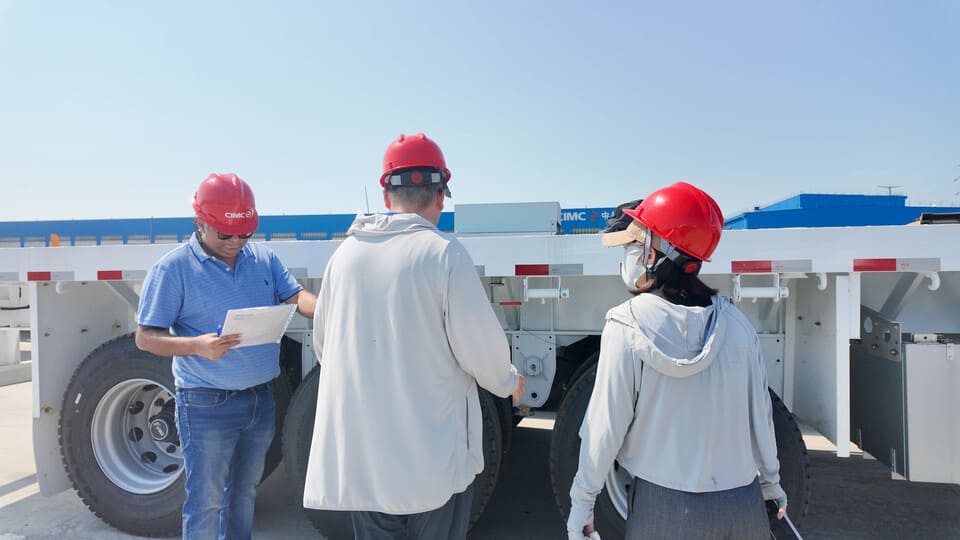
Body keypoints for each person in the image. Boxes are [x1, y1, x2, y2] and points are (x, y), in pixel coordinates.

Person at [303, 132, 525, 540]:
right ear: (441, 196)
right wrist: (510, 381)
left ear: (387, 197)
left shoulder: (344, 258)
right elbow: (481, 350)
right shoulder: (444, 254)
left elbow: (325, 348)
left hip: (366, 462)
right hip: (432, 462)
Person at [566, 182, 787, 540]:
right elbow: (760, 417)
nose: (632, 251)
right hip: (742, 504)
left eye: (639, 241)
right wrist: (772, 484)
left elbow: (604, 428)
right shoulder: (736, 324)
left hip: (663, 507)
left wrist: (583, 502)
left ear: (657, 252)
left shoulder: (627, 324)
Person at [135, 173, 317, 540]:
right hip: (205, 404)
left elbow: (295, 297)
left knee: (244, 493)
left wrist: (329, 308)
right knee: (206, 500)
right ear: (200, 223)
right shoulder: (173, 269)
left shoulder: (263, 259)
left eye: (244, 234)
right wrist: (198, 346)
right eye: (225, 234)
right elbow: (146, 337)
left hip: (260, 400)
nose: (236, 242)